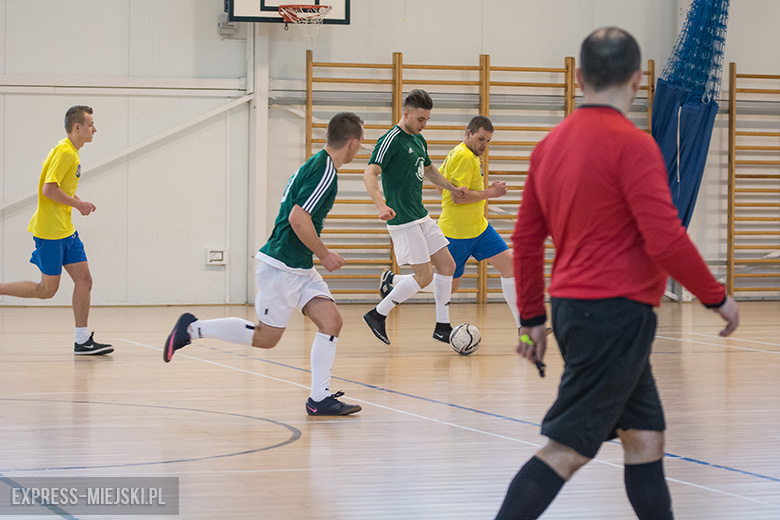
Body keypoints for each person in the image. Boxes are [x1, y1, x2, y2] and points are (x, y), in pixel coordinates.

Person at [495, 28, 739, 520]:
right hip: (615, 315)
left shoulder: (548, 147)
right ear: (639, 78)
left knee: (645, 438)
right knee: (567, 449)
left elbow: (524, 240)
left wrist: (531, 316)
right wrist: (715, 296)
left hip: (578, 311)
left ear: (579, 77)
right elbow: (665, 238)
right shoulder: (635, 145)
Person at [163, 112, 364, 416]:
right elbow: (299, 219)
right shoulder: (325, 172)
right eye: (360, 144)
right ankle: (192, 329)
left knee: (331, 322)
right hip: (282, 267)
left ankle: (319, 398)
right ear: (353, 143)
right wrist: (324, 253)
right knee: (266, 338)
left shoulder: (317, 164)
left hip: (298, 267)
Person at [377, 116, 523, 331]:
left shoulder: (468, 155)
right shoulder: (463, 156)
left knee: (510, 266)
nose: (484, 145)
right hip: (457, 232)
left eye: (488, 141)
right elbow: (457, 197)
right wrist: (492, 192)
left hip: (480, 229)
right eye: (481, 139)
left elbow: (442, 186)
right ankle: (395, 282)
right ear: (468, 134)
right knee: (449, 285)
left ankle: (523, 327)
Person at [0, 106, 113, 356]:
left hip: (66, 230)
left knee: (85, 281)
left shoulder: (68, 150)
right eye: (91, 124)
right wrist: (78, 205)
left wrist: (78, 202)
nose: (95, 129)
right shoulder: (65, 153)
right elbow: (49, 190)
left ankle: (82, 340)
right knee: (46, 290)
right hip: (51, 232)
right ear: (77, 127)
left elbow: (61, 186)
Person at [362, 89, 467, 345]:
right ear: (406, 113)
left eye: (427, 119)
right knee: (424, 277)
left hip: (420, 215)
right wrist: (380, 205)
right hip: (402, 220)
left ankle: (442, 326)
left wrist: (452, 188)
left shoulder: (419, 140)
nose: (424, 124)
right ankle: (377, 314)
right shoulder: (391, 140)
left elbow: (430, 170)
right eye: (421, 119)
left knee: (448, 267)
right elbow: (369, 173)